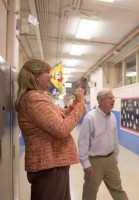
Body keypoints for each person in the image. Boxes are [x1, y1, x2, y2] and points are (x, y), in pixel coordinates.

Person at [15, 58, 87, 200]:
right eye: (47, 72)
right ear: (35, 76)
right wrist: (80, 105)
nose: (51, 76)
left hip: (53, 164)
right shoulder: (33, 99)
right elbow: (61, 128)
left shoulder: (39, 97)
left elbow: (61, 116)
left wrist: (77, 102)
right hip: (48, 166)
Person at [78, 89, 128, 200]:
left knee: (118, 189)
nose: (113, 100)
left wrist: (115, 155)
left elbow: (114, 138)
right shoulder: (90, 118)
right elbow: (83, 142)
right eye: (110, 98)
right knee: (90, 192)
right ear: (101, 101)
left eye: (113, 98)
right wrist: (85, 163)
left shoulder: (113, 117)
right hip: (94, 162)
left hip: (111, 160)